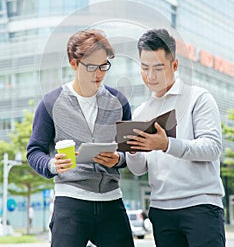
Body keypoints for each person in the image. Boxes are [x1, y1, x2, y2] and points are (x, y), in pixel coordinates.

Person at [26, 29, 135, 247]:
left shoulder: (119, 101)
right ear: (74, 63)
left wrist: (119, 159)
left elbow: (130, 149)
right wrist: (52, 165)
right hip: (70, 201)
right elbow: (34, 151)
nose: (99, 73)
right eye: (91, 66)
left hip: (111, 200)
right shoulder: (51, 103)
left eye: (104, 66)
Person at [126, 28, 225, 247]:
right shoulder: (141, 111)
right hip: (162, 211)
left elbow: (212, 147)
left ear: (174, 66)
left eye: (158, 68)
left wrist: (167, 144)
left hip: (201, 207)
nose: (151, 76)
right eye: (145, 68)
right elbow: (138, 169)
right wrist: (132, 150)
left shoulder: (198, 98)